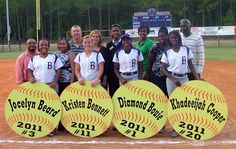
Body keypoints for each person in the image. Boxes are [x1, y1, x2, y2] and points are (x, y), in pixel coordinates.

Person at [161, 30, 200, 137]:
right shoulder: (167, 51)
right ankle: (175, 128)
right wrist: (173, 79)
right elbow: (163, 68)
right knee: (174, 104)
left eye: (175, 37)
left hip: (184, 79)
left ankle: (184, 125)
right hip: (171, 80)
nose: (174, 39)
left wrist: (197, 78)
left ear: (179, 38)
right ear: (169, 39)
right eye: (172, 38)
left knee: (185, 103)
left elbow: (191, 66)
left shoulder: (186, 50)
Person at [28, 38, 63, 136]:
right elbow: (30, 69)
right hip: (38, 87)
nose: (44, 47)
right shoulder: (34, 58)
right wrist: (31, 77)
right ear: (38, 47)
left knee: (51, 108)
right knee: (39, 108)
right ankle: (41, 126)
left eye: (46, 45)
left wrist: (55, 81)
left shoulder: (54, 57)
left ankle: (51, 128)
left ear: (48, 46)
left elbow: (59, 70)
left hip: (51, 86)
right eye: (41, 45)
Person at [145, 27, 169, 96]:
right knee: (158, 96)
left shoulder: (171, 47)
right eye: (159, 36)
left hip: (168, 76)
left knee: (167, 95)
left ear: (167, 36)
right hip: (156, 76)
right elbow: (150, 63)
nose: (161, 38)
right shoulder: (155, 47)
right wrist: (147, 76)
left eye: (163, 36)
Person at [106, 24, 122, 97]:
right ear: (111, 33)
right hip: (112, 73)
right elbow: (108, 60)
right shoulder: (108, 45)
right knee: (113, 92)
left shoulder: (124, 43)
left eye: (117, 31)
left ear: (120, 32)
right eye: (114, 31)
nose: (115, 32)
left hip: (123, 72)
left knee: (123, 92)